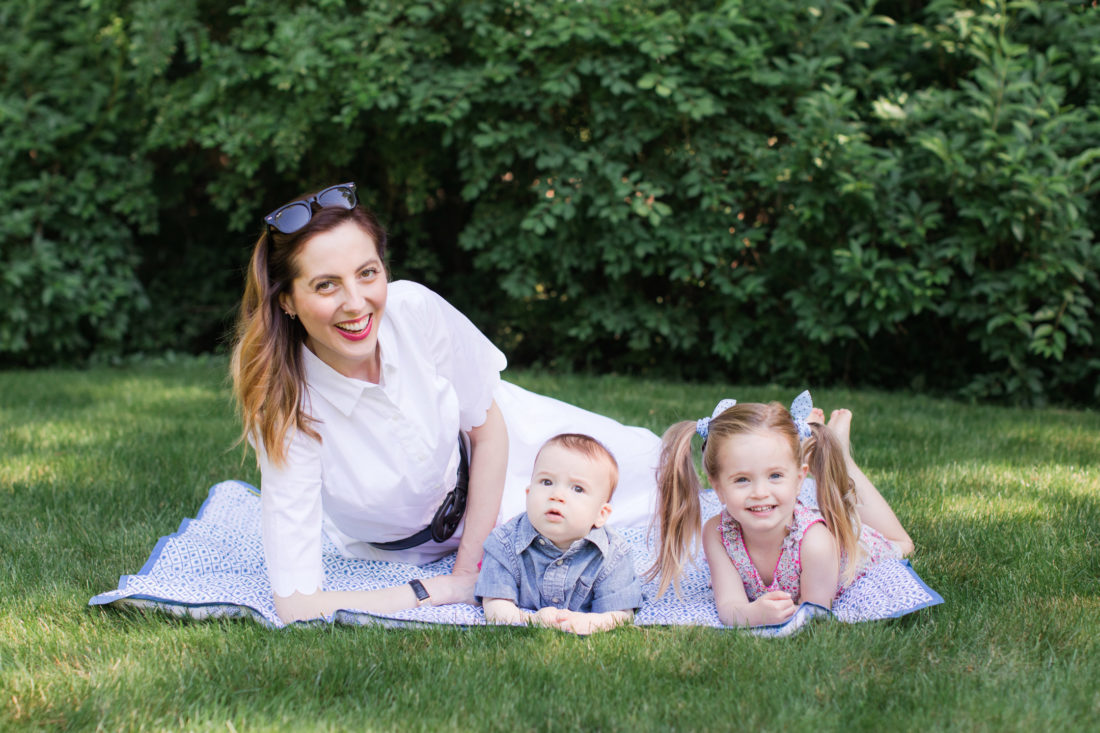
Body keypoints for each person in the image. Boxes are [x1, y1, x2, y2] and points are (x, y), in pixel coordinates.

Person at [230, 182, 660, 623]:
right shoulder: (286, 410)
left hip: (506, 450)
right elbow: (297, 605)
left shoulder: (414, 309)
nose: (356, 304)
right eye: (326, 286)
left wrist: (471, 567)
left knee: (653, 462)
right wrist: (441, 588)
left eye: (367, 273)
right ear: (287, 301)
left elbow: (488, 430)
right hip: (420, 548)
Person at [649, 393, 914, 627]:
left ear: (800, 480)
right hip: (797, 510)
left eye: (775, 475)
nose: (760, 492)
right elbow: (730, 606)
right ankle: (804, 449)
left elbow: (816, 613)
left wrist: (770, 613)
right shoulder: (717, 534)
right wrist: (753, 614)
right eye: (742, 479)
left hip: (856, 547)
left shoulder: (816, 543)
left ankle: (840, 455)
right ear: (717, 487)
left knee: (903, 544)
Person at [476, 434, 642, 634]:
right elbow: (495, 604)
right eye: (547, 482)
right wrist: (530, 619)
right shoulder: (504, 542)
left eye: (577, 489)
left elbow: (621, 614)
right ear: (528, 494)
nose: (557, 495)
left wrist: (591, 622)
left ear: (601, 514)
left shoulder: (613, 554)